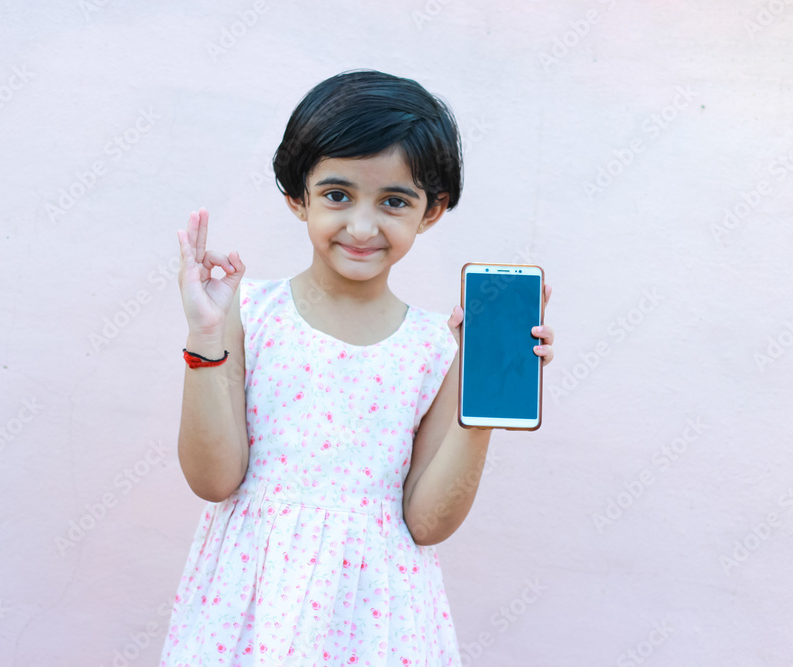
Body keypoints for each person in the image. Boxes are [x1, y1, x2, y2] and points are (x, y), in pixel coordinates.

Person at [160, 68, 554, 665]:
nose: (363, 227)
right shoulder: (247, 313)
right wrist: (205, 335)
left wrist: (484, 397)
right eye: (337, 195)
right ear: (298, 196)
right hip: (251, 608)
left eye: (394, 201)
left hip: (378, 621)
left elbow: (426, 522)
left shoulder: (439, 348)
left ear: (431, 211)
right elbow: (213, 480)